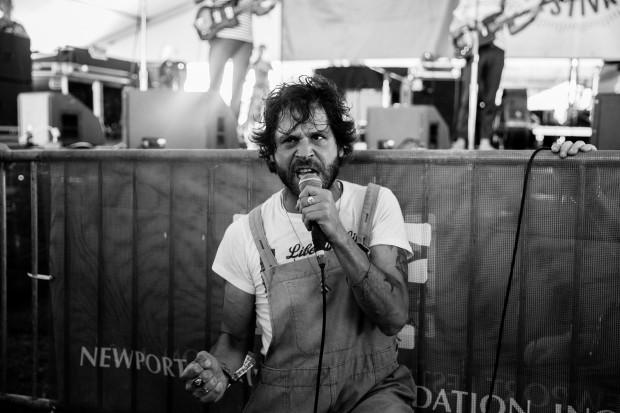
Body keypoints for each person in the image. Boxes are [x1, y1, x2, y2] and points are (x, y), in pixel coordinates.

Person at [180, 75, 596, 412]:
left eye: (318, 137)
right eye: (290, 141)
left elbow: (394, 316)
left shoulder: (376, 204)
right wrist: (219, 371)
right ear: (271, 156)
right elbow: (234, 341)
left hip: (372, 391)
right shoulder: (246, 233)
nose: (305, 151)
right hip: (287, 392)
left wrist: (338, 234)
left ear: (341, 147)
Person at [450, 0, 543, 150]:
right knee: (468, 96)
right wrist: (469, 27)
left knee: (491, 97)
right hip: (474, 49)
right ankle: (461, 139)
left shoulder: (504, 4)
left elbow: (512, 29)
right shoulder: (468, 3)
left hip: (497, 48)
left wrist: (532, 16)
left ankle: (485, 140)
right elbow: (454, 29)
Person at [195, 0, 277, 123]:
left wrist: (270, 4)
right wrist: (238, 7)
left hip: (245, 40)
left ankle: (232, 126)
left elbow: (259, 10)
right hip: (222, 36)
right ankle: (209, 122)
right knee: (215, 83)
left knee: (239, 86)